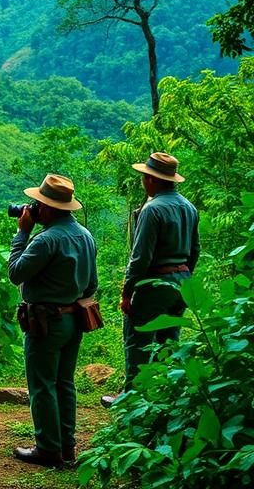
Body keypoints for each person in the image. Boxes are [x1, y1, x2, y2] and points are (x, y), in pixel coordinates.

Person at [8, 174, 97, 468]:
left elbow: (16, 273)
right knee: (64, 383)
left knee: (43, 385)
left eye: (37, 204)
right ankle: (67, 447)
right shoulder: (85, 236)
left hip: (46, 322)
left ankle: (47, 448)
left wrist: (22, 234)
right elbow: (91, 284)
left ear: (48, 207)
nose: (33, 209)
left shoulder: (45, 240)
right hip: (74, 320)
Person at [101, 152, 199, 408]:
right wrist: (186, 280)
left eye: (145, 176)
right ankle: (168, 396)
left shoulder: (152, 209)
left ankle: (132, 398)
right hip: (181, 281)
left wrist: (127, 292)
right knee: (170, 340)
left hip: (155, 282)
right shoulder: (189, 207)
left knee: (138, 340)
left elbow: (141, 257)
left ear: (152, 180)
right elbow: (195, 250)